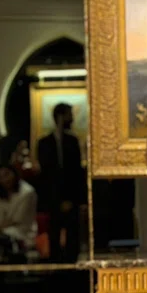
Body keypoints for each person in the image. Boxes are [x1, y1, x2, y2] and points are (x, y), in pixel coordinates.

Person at [36, 103, 86, 262]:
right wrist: (56, 200)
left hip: (71, 200)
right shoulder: (44, 143)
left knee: (73, 240)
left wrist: (76, 199)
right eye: (70, 114)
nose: (72, 118)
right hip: (52, 200)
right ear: (61, 116)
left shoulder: (73, 141)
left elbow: (76, 173)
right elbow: (46, 175)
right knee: (54, 238)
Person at [0, 165, 38, 252]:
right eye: (1, 177)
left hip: (22, 232)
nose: (5, 180)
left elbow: (17, 220)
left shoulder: (27, 192)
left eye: (7, 175)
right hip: (0, 232)